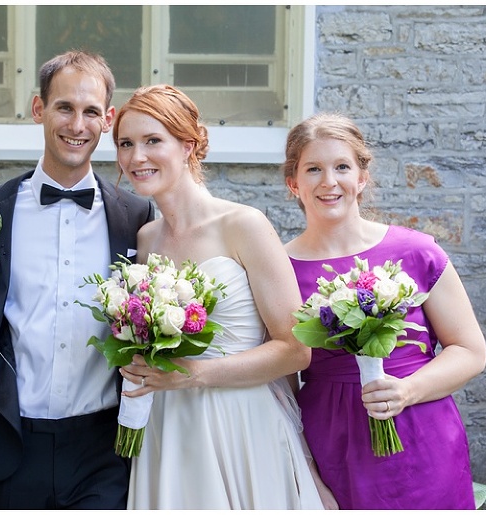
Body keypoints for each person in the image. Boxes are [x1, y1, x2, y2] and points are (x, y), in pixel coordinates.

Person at [112, 84, 326, 509]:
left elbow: (295, 351)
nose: (137, 157)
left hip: (240, 423)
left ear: (188, 144)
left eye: (153, 140)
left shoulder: (243, 225)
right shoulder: (147, 238)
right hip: (168, 426)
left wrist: (193, 374)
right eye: (125, 143)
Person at [0, 50, 155, 509]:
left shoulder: (136, 217)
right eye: (64, 107)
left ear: (107, 120)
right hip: (10, 439)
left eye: (90, 112)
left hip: (102, 446)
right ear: (38, 109)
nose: (77, 125)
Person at [282, 112, 486, 509]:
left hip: (421, 433)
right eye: (313, 169)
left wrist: (407, 390)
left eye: (342, 166)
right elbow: (281, 387)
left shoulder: (417, 252)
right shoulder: (278, 270)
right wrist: (305, 473)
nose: (329, 181)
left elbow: (470, 351)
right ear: (294, 183)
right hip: (331, 442)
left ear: (362, 178)